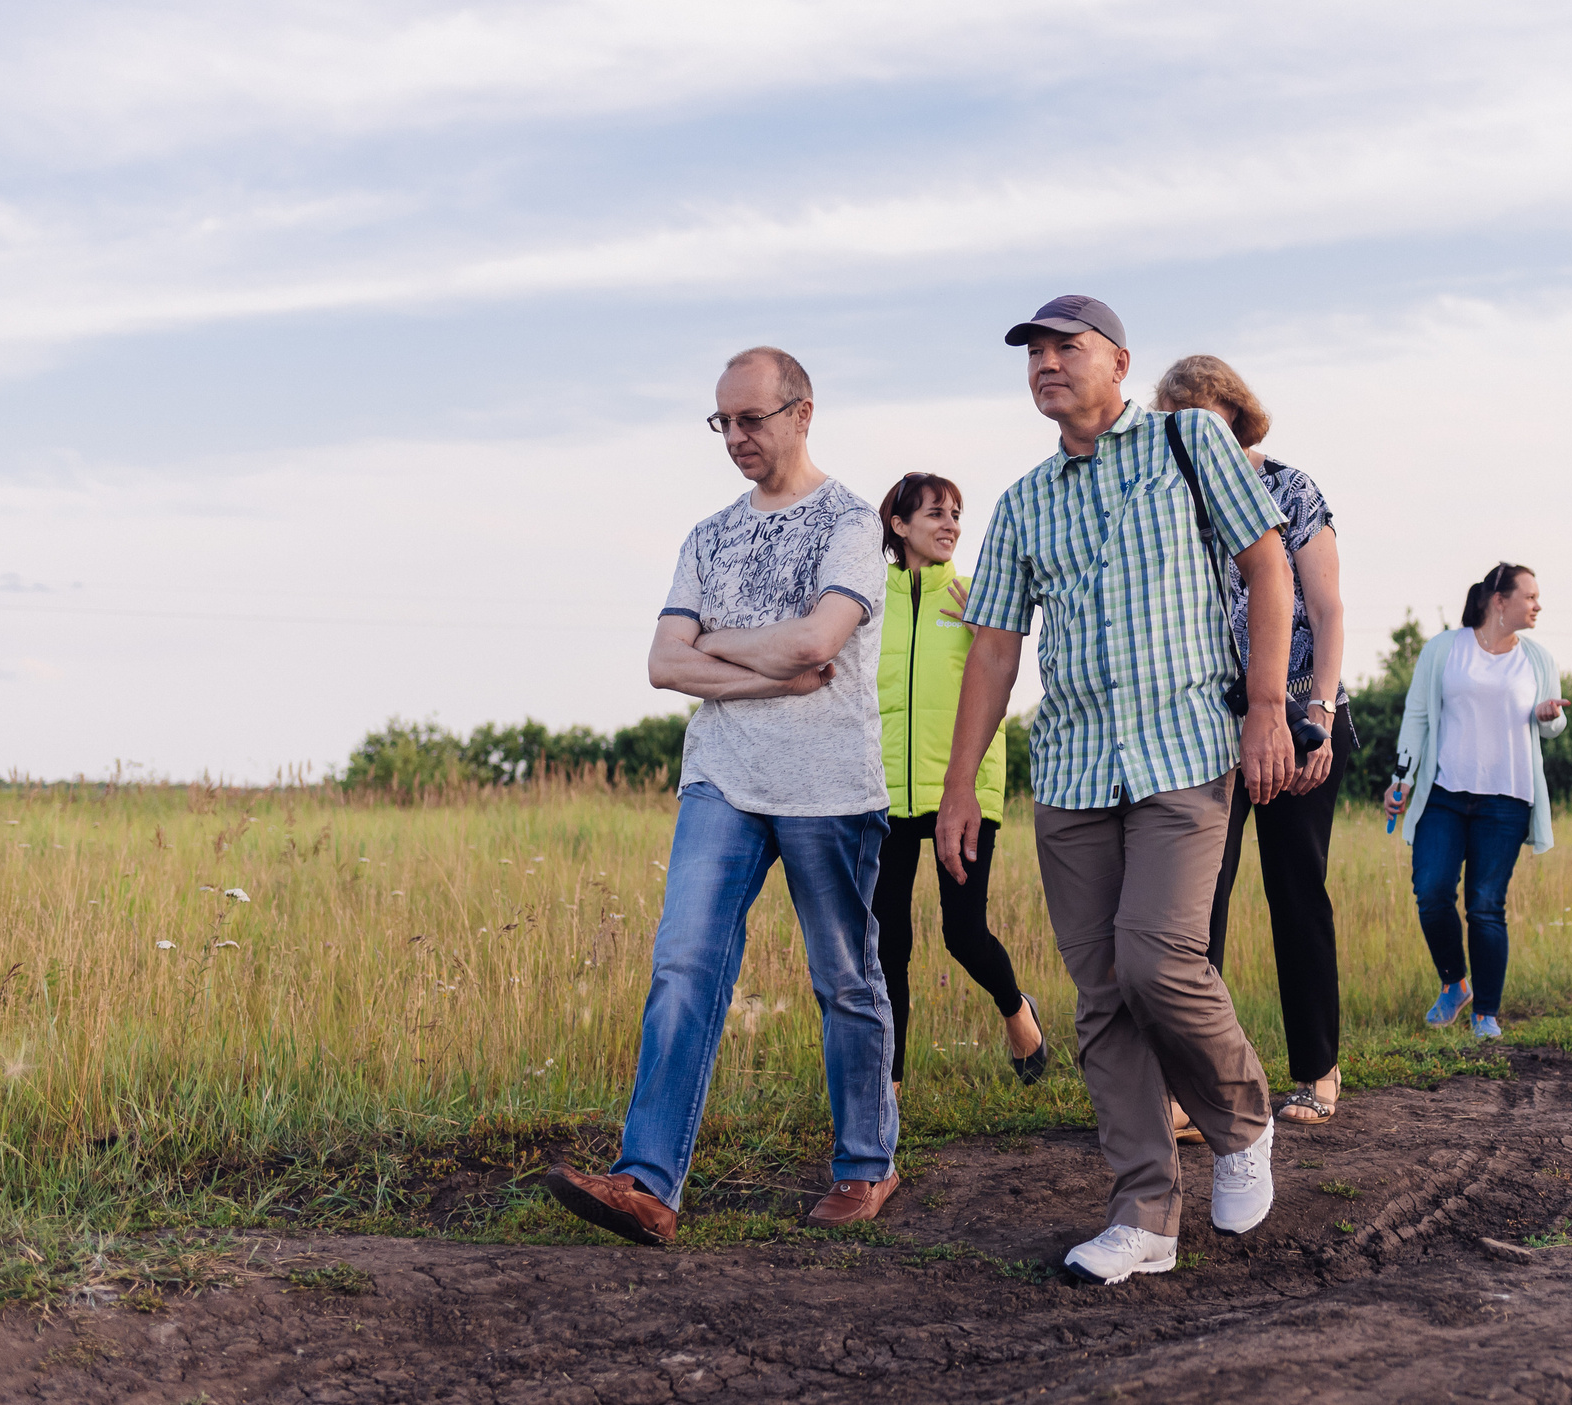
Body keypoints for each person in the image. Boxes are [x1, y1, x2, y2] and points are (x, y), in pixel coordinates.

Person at [938, 294, 1298, 1286]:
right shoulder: (1021, 502)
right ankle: (1142, 1212)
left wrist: (1267, 705)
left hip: (1183, 748)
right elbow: (995, 651)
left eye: (1067, 346)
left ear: (1118, 362)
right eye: (1034, 352)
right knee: (1101, 998)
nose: (1047, 362)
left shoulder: (1188, 444)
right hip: (1071, 769)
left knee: (1157, 959)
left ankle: (1239, 1117)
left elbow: (1268, 565)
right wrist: (961, 785)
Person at [543, 346, 899, 1246]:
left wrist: (725, 649)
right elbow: (665, 662)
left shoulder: (852, 523)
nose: (736, 437)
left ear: (802, 412)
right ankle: (648, 1183)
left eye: (752, 419)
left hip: (827, 787)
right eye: (723, 422)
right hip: (722, 779)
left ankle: (866, 1163)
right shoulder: (706, 534)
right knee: (684, 966)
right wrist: (771, 670)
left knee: (845, 979)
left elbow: (822, 640)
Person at [1151, 355, 1350, 1129]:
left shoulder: (1292, 489)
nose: (1175, 439)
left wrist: (1321, 716)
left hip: (1300, 715)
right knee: (1197, 907)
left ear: (1228, 414)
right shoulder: (1174, 500)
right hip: (1207, 726)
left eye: (1187, 422)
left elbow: (1328, 610)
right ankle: (1190, 1089)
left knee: (1296, 892)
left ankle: (1317, 1071)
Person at [870, 471, 1048, 1095]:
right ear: (899, 525)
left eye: (955, 515)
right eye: (934, 514)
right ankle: (887, 1091)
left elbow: (1004, 686)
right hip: (884, 792)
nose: (950, 525)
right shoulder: (865, 603)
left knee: (963, 934)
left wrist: (983, 634)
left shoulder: (979, 594)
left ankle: (1017, 1012)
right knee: (887, 942)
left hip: (966, 791)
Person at [1380, 564, 1571, 1041]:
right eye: (1530, 596)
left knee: (1486, 906)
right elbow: (1418, 717)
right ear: (1498, 600)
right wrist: (1400, 778)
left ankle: (1485, 1014)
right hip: (1445, 795)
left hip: (1507, 801)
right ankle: (1455, 984)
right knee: (1432, 891)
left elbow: (1552, 724)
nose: (1537, 605)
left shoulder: (1539, 659)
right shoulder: (1445, 649)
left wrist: (1549, 716)